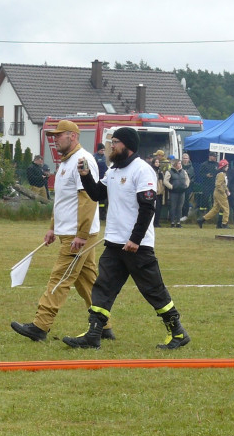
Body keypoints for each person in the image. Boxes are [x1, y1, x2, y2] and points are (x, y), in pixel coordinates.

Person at [62, 126, 190, 350]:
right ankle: (93, 335)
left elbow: (148, 208)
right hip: (113, 243)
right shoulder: (113, 171)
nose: (111, 146)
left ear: (127, 146)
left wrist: (135, 239)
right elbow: (97, 194)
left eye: (115, 142)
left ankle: (177, 332)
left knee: (153, 290)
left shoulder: (142, 170)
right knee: (103, 288)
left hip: (136, 246)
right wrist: (86, 176)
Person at [10, 120, 111, 343]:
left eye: (59, 135)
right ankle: (104, 326)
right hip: (70, 232)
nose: (55, 140)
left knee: (60, 277)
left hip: (78, 235)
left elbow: (88, 200)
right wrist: (52, 228)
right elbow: (63, 200)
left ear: (73, 136)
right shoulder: (66, 162)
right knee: (87, 282)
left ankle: (40, 325)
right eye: (54, 136)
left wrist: (81, 235)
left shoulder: (82, 161)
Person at [198, 159, 230, 228]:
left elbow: (223, 184)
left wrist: (227, 190)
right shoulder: (221, 175)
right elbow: (218, 185)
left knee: (215, 209)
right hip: (220, 193)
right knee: (226, 208)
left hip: (217, 193)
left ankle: (202, 219)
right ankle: (224, 224)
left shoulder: (222, 174)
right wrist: (224, 191)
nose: (228, 167)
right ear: (223, 167)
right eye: (227, 166)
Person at [165, 156, 190, 227]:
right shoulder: (169, 172)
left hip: (182, 192)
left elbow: (187, 179)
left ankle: (178, 222)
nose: (180, 164)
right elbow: (165, 181)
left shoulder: (184, 172)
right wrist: (171, 187)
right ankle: (172, 222)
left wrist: (186, 185)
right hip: (173, 192)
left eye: (180, 163)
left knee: (180, 207)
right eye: (179, 163)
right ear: (175, 164)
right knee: (173, 207)